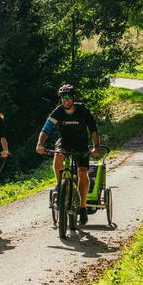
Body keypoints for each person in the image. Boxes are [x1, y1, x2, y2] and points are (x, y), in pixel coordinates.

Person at [35, 83, 101, 225]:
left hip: (81, 143)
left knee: (83, 172)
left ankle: (83, 207)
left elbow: (93, 129)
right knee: (58, 155)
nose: (65, 100)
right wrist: (40, 144)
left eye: (68, 97)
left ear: (73, 97)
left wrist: (96, 148)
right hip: (65, 142)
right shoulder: (58, 111)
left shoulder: (83, 110)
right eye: (63, 97)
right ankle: (60, 185)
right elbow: (46, 128)